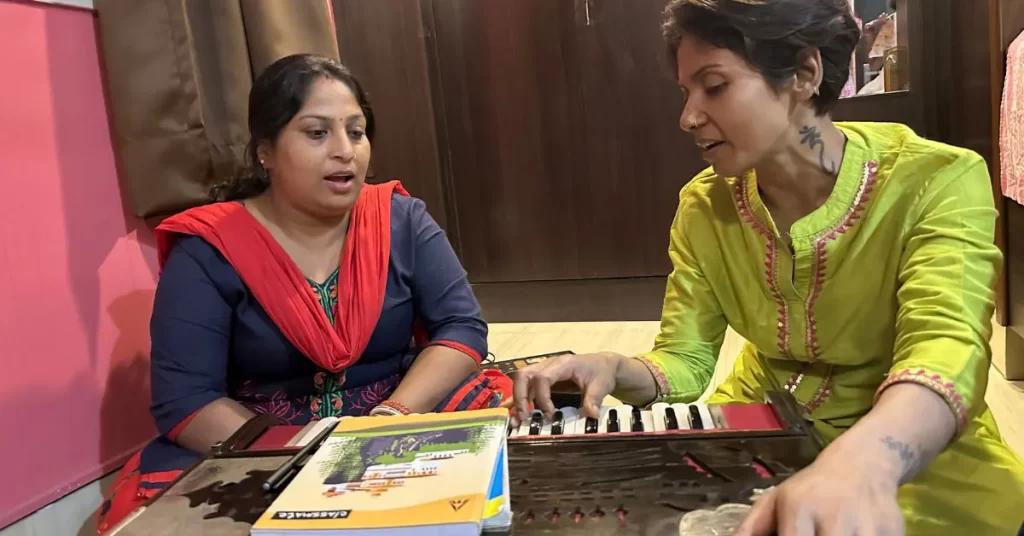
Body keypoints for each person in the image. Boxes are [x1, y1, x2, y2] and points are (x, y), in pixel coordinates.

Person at [510, 0, 1024, 534]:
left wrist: (866, 462)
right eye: (686, 92)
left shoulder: (936, 179)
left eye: (714, 86)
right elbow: (685, 361)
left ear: (804, 73)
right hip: (757, 433)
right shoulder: (703, 207)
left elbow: (946, 349)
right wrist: (614, 367)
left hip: (909, 451)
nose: (688, 116)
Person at [96, 54, 510, 533]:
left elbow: (460, 327)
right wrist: (311, 460)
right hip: (264, 447)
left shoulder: (400, 219)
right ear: (265, 150)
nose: (345, 151)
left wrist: (391, 418)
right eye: (317, 133)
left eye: (356, 132)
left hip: (397, 420)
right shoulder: (210, 249)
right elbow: (185, 399)